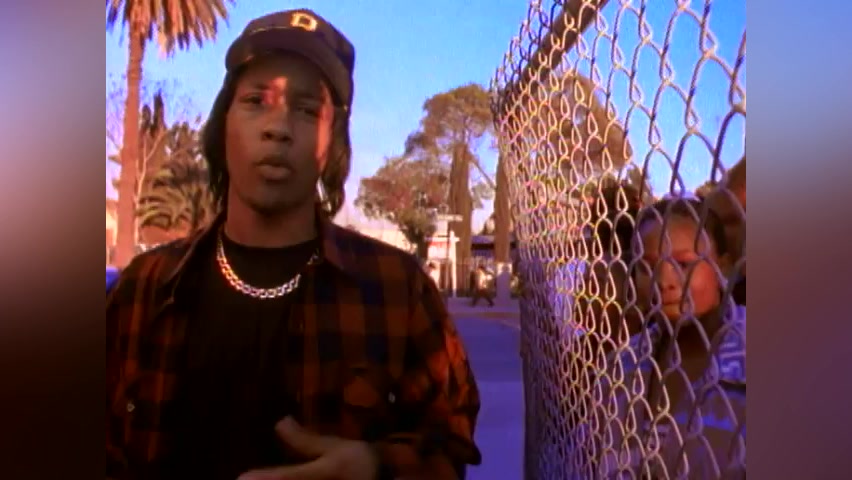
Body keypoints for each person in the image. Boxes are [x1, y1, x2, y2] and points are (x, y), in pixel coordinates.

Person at [106, 9, 481, 480]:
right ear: (223, 124)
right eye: (256, 101)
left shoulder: (398, 290)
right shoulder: (144, 289)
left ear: (333, 143)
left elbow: (450, 445)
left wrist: (376, 466)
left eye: (306, 110)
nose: (278, 127)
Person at [599, 197, 746, 478]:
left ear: (723, 268)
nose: (664, 281)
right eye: (647, 267)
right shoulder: (621, 365)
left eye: (684, 263)